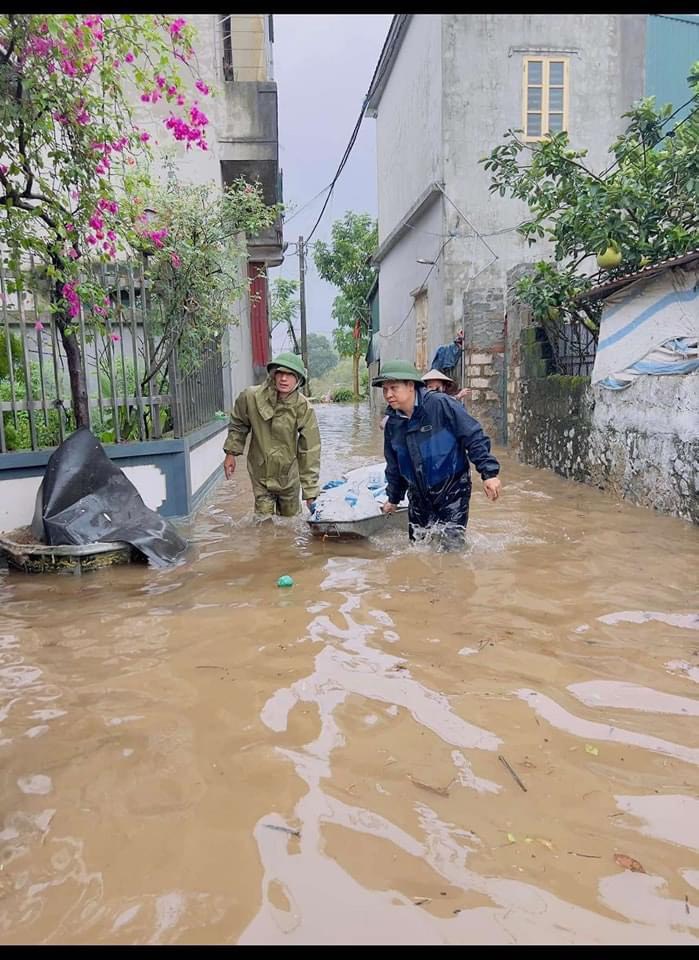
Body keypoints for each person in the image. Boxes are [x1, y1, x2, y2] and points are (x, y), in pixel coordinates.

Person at [373, 359, 501, 550]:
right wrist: (393, 498)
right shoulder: (393, 423)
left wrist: (489, 474)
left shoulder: (440, 404)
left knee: (452, 548)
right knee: (418, 548)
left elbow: (473, 435)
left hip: (452, 490)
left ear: (410, 386)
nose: (388, 394)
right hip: (417, 495)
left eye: (393, 388)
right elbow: (394, 465)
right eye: (385, 390)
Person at [222, 352, 321, 517]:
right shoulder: (251, 397)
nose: (283, 378)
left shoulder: (303, 407)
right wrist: (231, 454)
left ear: (298, 380)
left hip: (289, 476)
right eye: (280, 373)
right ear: (273, 375)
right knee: (263, 524)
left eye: (289, 375)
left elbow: (310, 449)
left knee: (290, 525)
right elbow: (238, 423)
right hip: (260, 472)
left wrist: (310, 491)